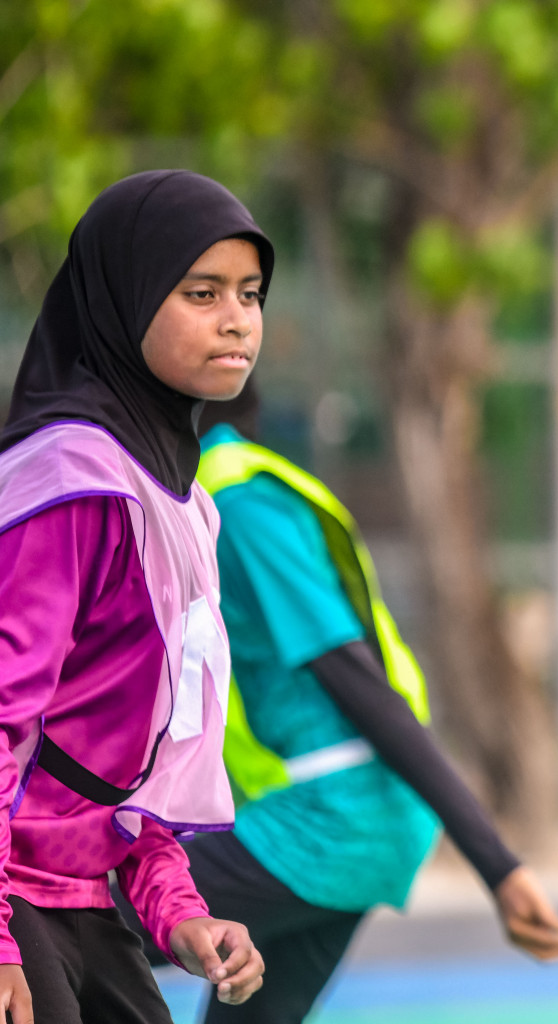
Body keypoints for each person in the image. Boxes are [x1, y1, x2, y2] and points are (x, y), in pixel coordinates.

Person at [114, 380, 558, 1023]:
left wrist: (497, 866)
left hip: (333, 814)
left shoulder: (241, 504)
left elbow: (359, 684)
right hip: (347, 818)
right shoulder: (193, 496)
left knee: (73, 920)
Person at [0, 170, 272, 1022]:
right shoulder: (68, 482)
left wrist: (181, 912)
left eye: (251, 293)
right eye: (202, 293)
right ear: (125, 301)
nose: (237, 318)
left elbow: (139, 765)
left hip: (82, 896)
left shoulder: (188, 505)